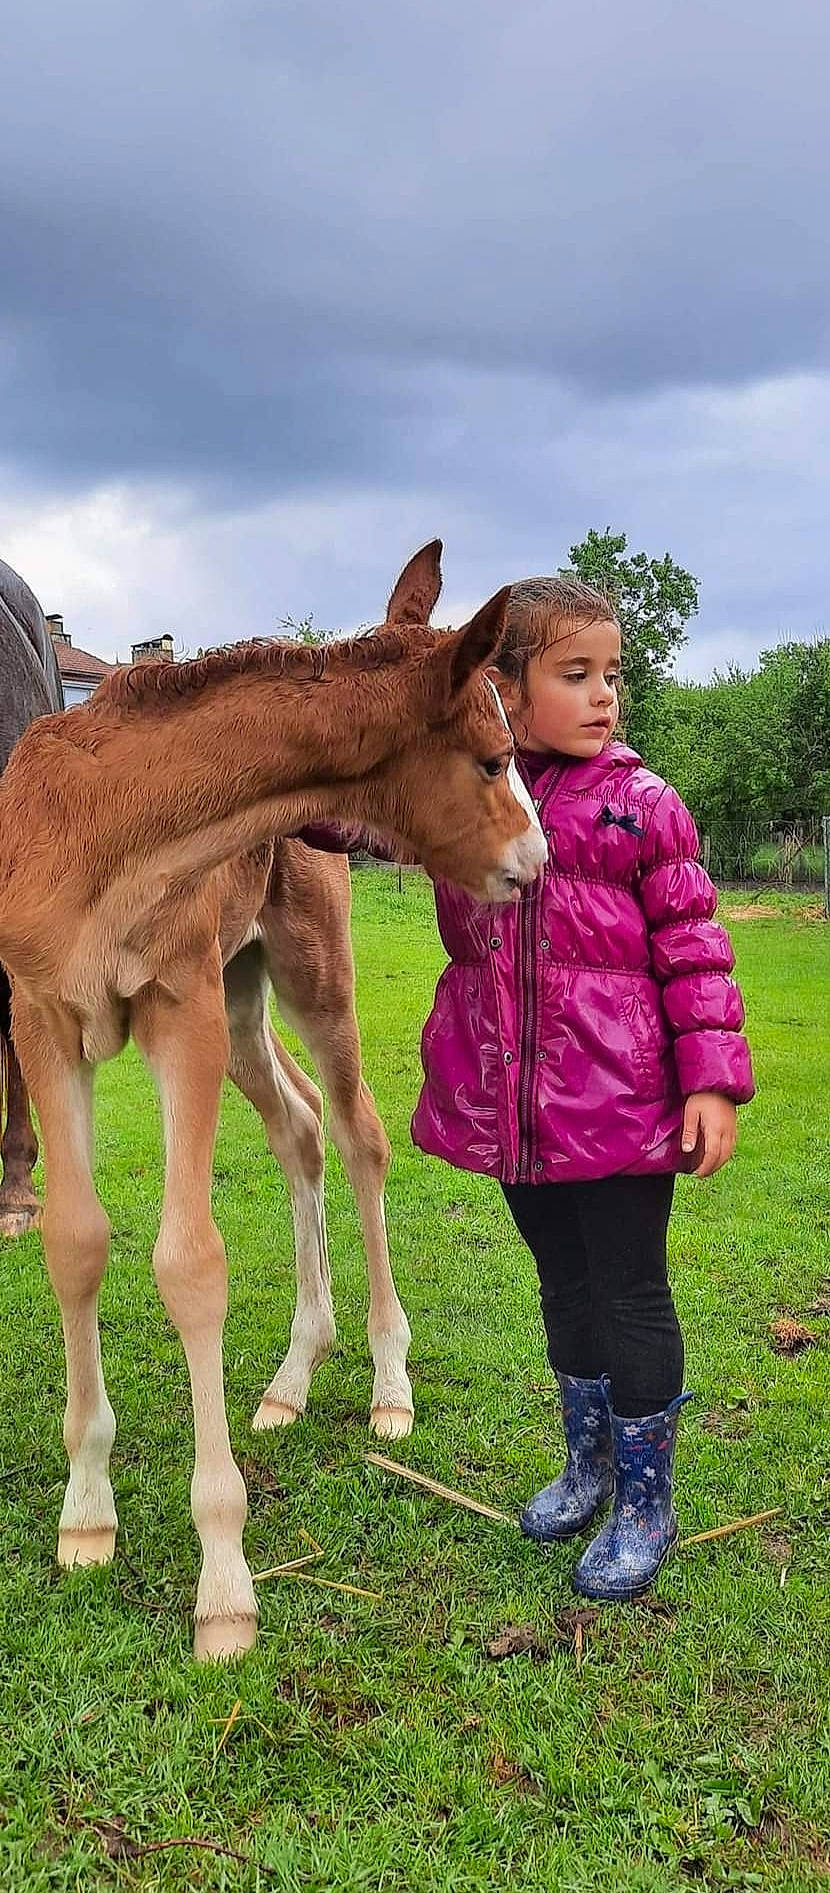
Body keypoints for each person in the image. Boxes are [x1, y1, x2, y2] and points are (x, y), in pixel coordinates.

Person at [300, 576, 754, 1601]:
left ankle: (645, 1501)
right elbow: (344, 823)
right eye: (574, 674)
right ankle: (586, 1465)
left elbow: (694, 950)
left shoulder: (642, 808)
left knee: (629, 1289)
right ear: (499, 690)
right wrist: (294, 767)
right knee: (562, 1286)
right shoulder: (460, 794)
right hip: (511, 1101)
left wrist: (709, 1082)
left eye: (611, 676)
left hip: (623, 1098)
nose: (603, 696)